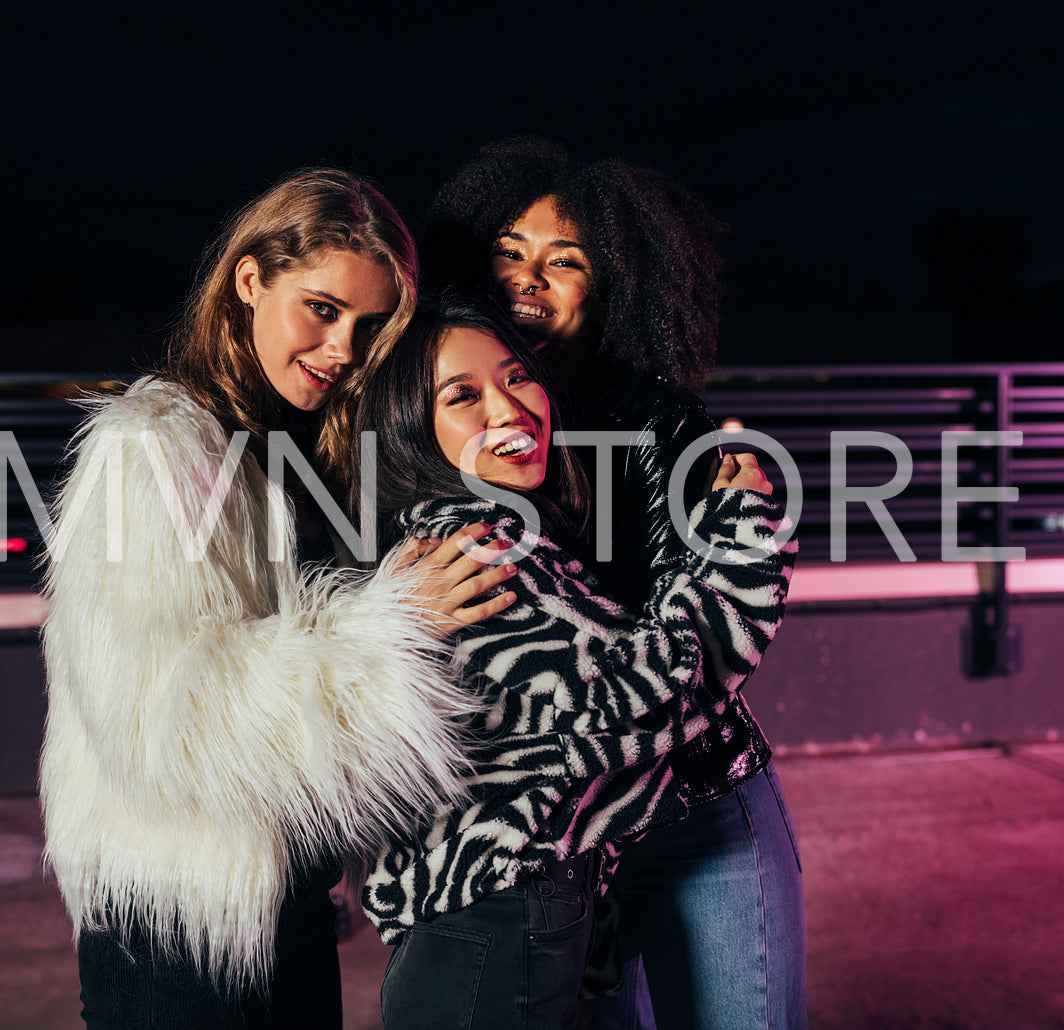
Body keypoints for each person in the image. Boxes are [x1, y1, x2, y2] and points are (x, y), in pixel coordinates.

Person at [38, 169, 521, 1029]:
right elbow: (159, 711)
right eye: (322, 309)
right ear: (250, 280)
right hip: (178, 920)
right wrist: (388, 626)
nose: (342, 349)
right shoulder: (151, 449)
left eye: (371, 326)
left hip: (277, 901)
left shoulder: (286, 445)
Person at [426, 138, 809, 1030]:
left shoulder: (660, 421)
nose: (530, 277)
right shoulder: (425, 427)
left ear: (608, 286)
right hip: (560, 840)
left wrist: (741, 522)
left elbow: (701, 640)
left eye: (564, 262)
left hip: (694, 803)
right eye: (510, 252)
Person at [354, 290, 794, 1030]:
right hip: (492, 920)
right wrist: (739, 533)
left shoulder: (462, 532)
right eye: (462, 396)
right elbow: (648, 699)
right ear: (413, 431)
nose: (506, 410)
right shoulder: (479, 550)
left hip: (495, 913)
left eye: (515, 378)